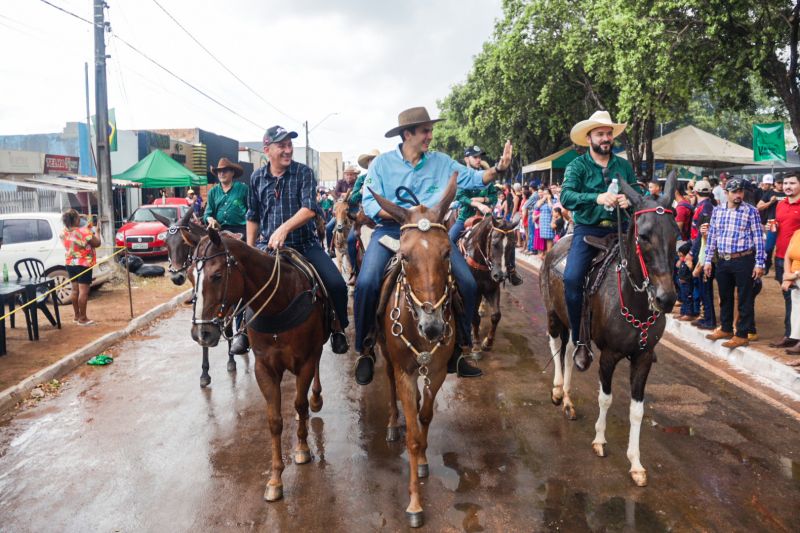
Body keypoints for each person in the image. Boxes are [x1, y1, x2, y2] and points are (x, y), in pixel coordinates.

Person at [354, 106, 513, 384]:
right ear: (407, 134)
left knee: (468, 283)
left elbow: (475, 179)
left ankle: (461, 350)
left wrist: (499, 168)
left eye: (430, 130)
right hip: (394, 229)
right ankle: (365, 349)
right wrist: (407, 214)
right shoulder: (381, 165)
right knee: (367, 283)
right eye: (425, 131)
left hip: (433, 232)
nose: (430, 135)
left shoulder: (442, 162)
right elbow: (368, 203)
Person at [246, 125, 349, 355]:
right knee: (242, 281)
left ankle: (337, 327)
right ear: (267, 150)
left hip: (304, 245)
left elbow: (309, 208)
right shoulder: (256, 178)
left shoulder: (303, 173)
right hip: (268, 248)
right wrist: (250, 250)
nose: (288, 150)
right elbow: (252, 216)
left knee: (337, 285)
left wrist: (284, 228)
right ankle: (243, 333)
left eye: (290, 145)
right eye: (281, 145)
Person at [703, 178, 766, 349]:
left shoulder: (751, 211)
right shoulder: (717, 211)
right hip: (723, 260)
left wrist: (759, 262)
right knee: (725, 296)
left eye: (741, 191)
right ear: (726, 193)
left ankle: (742, 334)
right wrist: (707, 260)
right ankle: (725, 328)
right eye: (734, 192)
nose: (739, 195)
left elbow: (758, 238)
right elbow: (713, 236)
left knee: (744, 297)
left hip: (744, 259)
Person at [769, 174, 800, 349]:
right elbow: (779, 228)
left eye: (792, 183)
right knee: (790, 299)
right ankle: (791, 334)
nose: (788, 186)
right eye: (785, 183)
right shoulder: (781, 205)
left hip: (797, 263)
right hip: (781, 258)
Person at [60, 209, 101, 326]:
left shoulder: (64, 232)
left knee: (75, 290)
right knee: (83, 291)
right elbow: (97, 243)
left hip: (70, 263)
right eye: (78, 218)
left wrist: (81, 218)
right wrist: (97, 232)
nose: (80, 219)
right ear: (75, 220)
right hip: (83, 264)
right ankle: (83, 318)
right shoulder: (84, 232)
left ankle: (77, 316)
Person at [448, 146, 495, 243]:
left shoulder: (485, 176)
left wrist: (483, 200)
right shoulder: (461, 176)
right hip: (465, 217)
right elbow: (460, 196)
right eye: (475, 157)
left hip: (486, 217)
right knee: (449, 242)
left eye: (479, 157)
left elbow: (494, 197)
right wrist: (477, 204)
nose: (478, 160)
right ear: (466, 159)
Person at [326, 164, 359, 255]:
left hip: (353, 209)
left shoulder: (358, 182)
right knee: (328, 227)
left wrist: (351, 194)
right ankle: (330, 249)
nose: (349, 176)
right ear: (344, 175)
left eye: (351, 174)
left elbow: (357, 193)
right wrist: (344, 194)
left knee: (359, 227)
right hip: (341, 210)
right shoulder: (340, 182)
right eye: (347, 174)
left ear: (355, 175)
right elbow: (336, 192)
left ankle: (359, 249)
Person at [756, 174, 786, 274]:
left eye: (783, 183)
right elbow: (758, 207)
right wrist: (770, 202)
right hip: (773, 223)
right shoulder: (770, 193)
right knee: (769, 247)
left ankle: (783, 268)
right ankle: (767, 264)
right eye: (779, 183)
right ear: (775, 183)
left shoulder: (788, 193)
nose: (781, 185)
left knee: (784, 247)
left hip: (786, 224)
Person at [780, 228, 800, 355]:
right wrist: (787, 275)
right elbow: (787, 256)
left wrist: (794, 275)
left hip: (797, 276)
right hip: (794, 278)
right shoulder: (797, 233)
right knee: (797, 312)